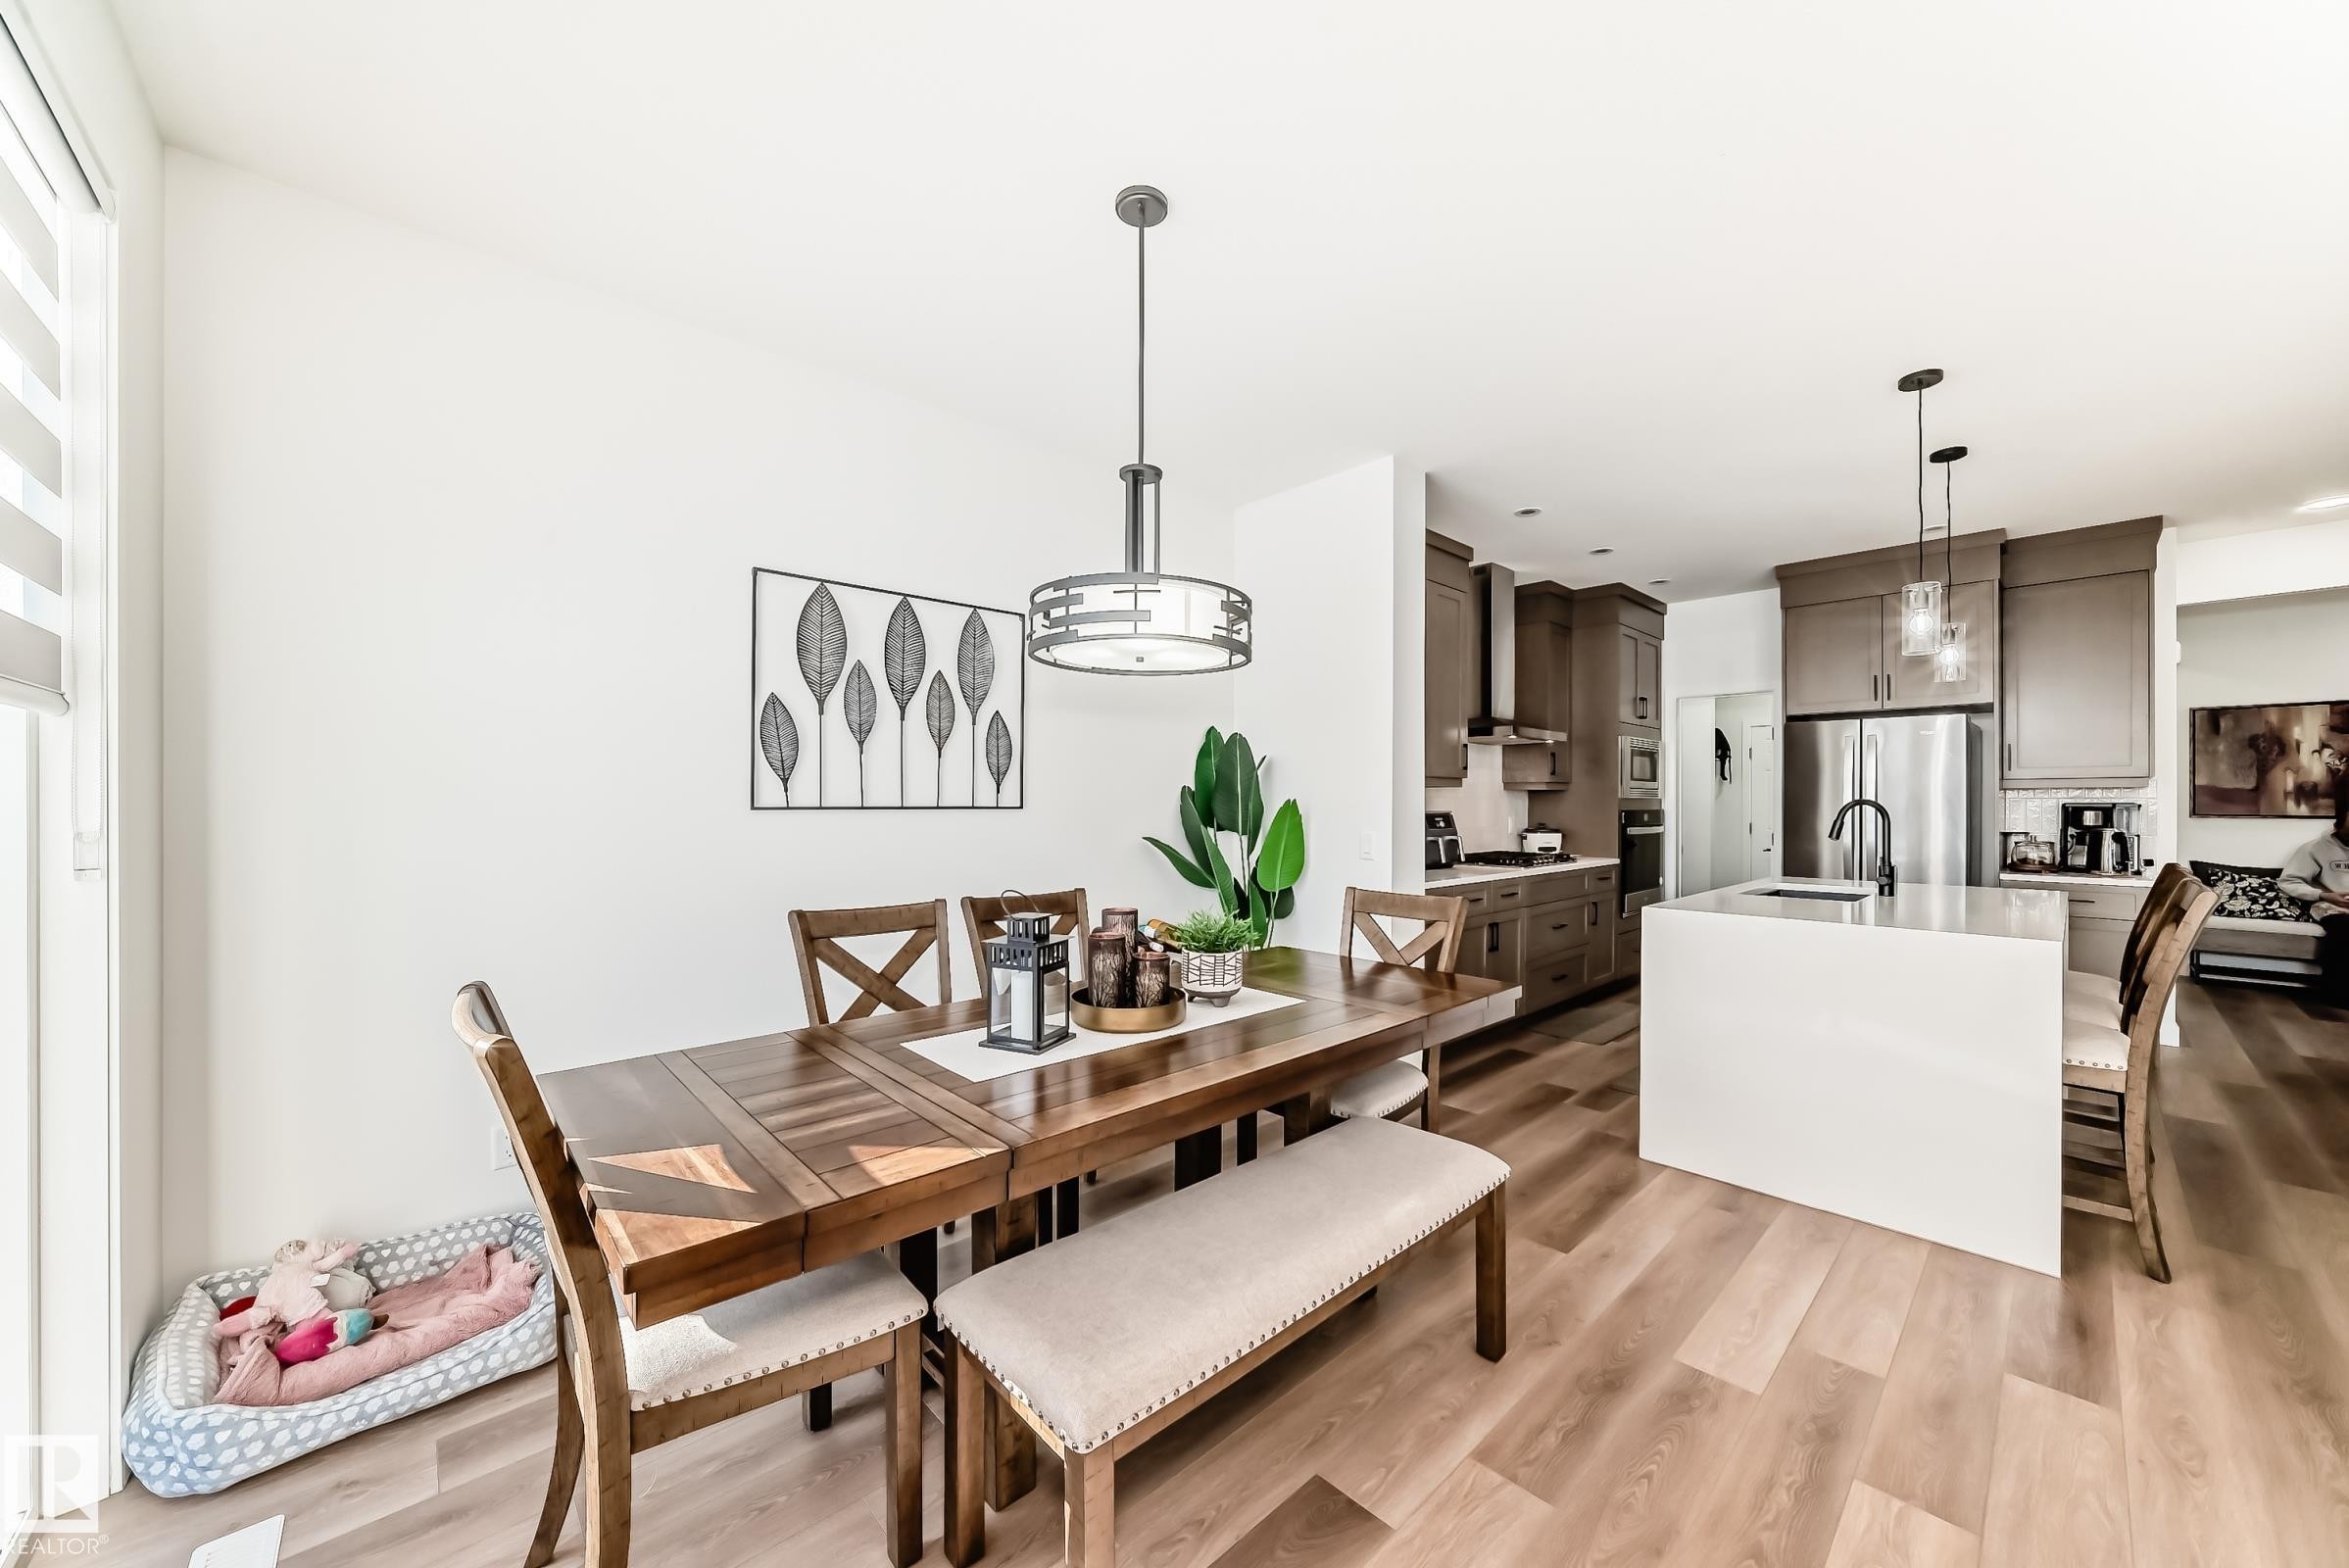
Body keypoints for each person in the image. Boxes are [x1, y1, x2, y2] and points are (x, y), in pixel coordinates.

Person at [2278, 796, 2349, 1004]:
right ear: (2340, 819)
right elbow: (2288, 881)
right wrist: (2324, 895)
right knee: (2345, 931)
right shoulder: (2315, 849)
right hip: (2331, 906)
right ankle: (2337, 995)